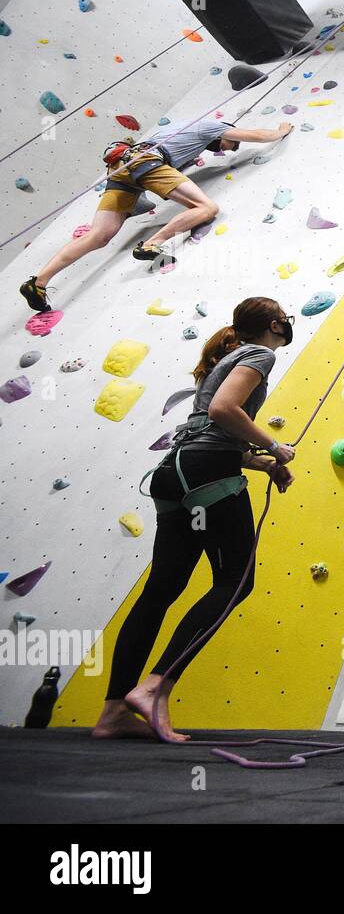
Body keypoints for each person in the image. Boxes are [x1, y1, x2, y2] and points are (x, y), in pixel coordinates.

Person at [91, 297, 296, 742]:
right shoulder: (261, 353)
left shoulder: (226, 356)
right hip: (207, 474)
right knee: (235, 582)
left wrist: (261, 464)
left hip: (175, 472)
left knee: (160, 591)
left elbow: (209, 429)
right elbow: (225, 411)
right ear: (274, 325)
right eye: (283, 318)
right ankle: (155, 686)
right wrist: (275, 447)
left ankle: (112, 713)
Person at [20, 118, 295, 312]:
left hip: (125, 166)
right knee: (207, 208)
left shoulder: (184, 133)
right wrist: (280, 130)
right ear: (226, 132)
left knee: (99, 235)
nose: (227, 149)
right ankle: (153, 243)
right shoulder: (212, 126)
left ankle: (39, 282)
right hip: (146, 162)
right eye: (230, 144)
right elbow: (258, 136)